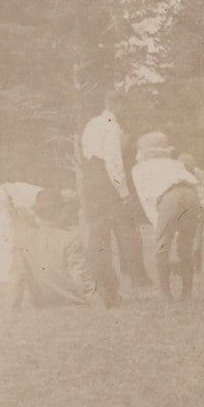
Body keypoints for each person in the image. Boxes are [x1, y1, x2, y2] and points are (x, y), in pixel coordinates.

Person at [79, 91, 134, 306]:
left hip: (90, 179)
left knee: (96, 236)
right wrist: (123, 191)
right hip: (104, 180)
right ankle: (109, 291)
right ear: (117, 105)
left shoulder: (91, 124)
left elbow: (87, 154)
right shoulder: (112, 124)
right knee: (108, 236)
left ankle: (100, 287)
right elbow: (113, 161)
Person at [132, 132, 202, 301]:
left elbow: (147, 199)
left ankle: (165, 294)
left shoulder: (140, 169)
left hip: (171, 197)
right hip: (191, 195)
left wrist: (159, 226)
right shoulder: (175, 164)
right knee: (185, 246)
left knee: (161, 248)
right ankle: (187, 293)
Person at [8, 189, 95, 309]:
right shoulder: (71, 238)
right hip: (72, 303)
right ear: (61, 212)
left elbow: (17, 278)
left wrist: (13, 308)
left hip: (41, 304)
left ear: (38, 213)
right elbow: (80, 277)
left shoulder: (22, 240)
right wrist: (93, 302)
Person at [0, 180, 45, 283]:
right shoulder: (38, 195)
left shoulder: (39, 194)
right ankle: (2, 277)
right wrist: (37, 227)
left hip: (3, 201)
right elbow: (26, 214)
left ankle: (5, 275)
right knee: (6, 240)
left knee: (8, 239)